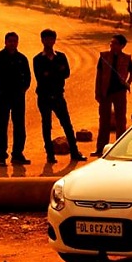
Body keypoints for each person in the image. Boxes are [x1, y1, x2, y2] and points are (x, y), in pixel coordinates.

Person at [32, 29, 87, 164]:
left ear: (54, 40)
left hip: (58, 95)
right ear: (42, 40)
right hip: (44, 97)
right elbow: (41, 77)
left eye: (51, 39)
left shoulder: (61, 56)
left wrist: (50, 73)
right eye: (46, 39)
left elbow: (66, 73)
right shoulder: (37, 59)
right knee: (46, 125)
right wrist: (57, 72)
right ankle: (50, 155)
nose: (49, 42)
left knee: (67, 124)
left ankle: (74, 152)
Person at [0, 31, 31, 166]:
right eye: (10, 41)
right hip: (3, 97)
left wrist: (23, 89)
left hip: (18, 97)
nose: (12, 44)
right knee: (2, 126)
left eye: (15, 41)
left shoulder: (22, 59)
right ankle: (1, 156)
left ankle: (17, 154)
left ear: (17, 42)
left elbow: (28, 77)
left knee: (19, 126)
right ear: (5, 42)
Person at [93, 34, 132, 156]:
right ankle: (100, 149)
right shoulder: (104, 56)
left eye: (115, 43)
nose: (112, 45)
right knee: (103, 121)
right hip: (105, 92)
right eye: (111, 43)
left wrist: (128, 82)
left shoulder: (127, 58)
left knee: (120, 121)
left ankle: (120, 149)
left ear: (122, 46)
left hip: (120, 92)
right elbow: (98, 76)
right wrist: (97, 92)